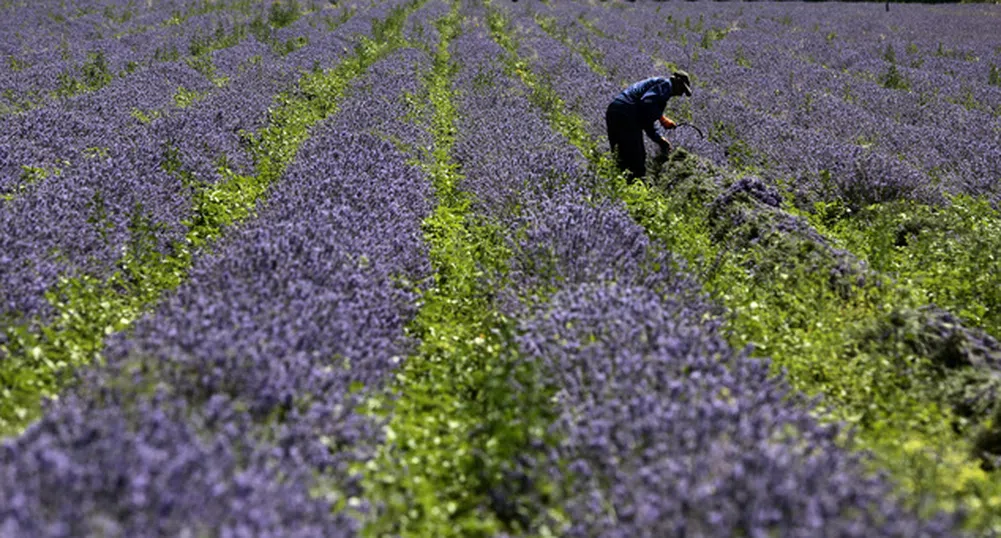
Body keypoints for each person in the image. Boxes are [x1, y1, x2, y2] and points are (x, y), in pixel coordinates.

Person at [605, 71, 692, 179]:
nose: (681, 94)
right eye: (682, 89)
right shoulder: (666, 85)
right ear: (677, 82)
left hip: (614, 110)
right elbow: (647, 101)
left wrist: (659, 139)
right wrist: (662, 119)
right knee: (637, 159)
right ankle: (634, 184)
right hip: (627, 112)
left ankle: (615, 182)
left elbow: (646, 120)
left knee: (619, 154)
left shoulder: (660, 92)